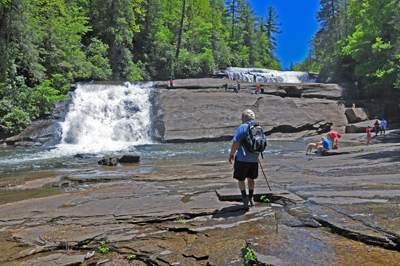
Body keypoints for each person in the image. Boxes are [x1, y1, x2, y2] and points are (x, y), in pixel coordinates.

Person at [229, 109, 267, 210]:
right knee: (251, 178)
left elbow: (236, 143)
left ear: (246, 117)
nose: (241, 119)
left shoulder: (242, 127)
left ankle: (245, 199)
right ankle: (251, 198)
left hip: (242, 159)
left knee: (241, 179)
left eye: (242, 117)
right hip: (254, 159)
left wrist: (231, 154)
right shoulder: (259, 128)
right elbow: (264, 142)